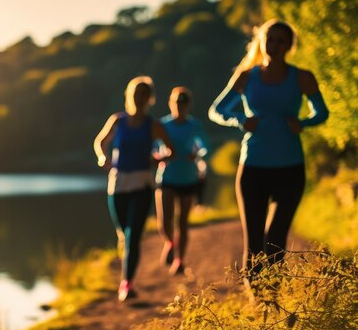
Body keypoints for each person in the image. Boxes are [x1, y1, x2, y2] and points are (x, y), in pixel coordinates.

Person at [208, 19, 329, 278]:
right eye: (270, 39)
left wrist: (303, 123)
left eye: (280, 41)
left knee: (275, 241)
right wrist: (241, 120)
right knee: (253, 244)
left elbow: (322, 112)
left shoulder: (302, 77)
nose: (274, 45)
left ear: (290, 46)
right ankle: (258, 304)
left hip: (290, 169)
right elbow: (217, 110)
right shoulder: (246, 77)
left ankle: (273, 303)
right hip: (253, 168)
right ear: (261, 42)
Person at [94, 75, 174, 301]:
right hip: (118, 184)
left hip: (142, 183)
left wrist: (158, 159)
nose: (139, 98)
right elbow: (100, 142)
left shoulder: (154, 125)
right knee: (122, 233)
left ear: (150, 98)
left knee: (133, 235)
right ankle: (126, 278)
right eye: (136, 94)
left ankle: (126, 284)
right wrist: (103, 158)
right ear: (129, 96)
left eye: (144, 94)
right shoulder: (117, 121)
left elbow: (171, 151)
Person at [154, 87, 208, 275]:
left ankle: (180, 260)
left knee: (182, 222)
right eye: (177, 103)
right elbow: (153, 148)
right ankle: (170, 242)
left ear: (188, 105)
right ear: (171, 104)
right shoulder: (162, 125)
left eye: (183, 104)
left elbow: (204, 146)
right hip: (167, 177)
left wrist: (197, 153)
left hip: (188, 178)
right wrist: (158, 156)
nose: (180, 107)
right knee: (164, 223)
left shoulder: (194, 125)